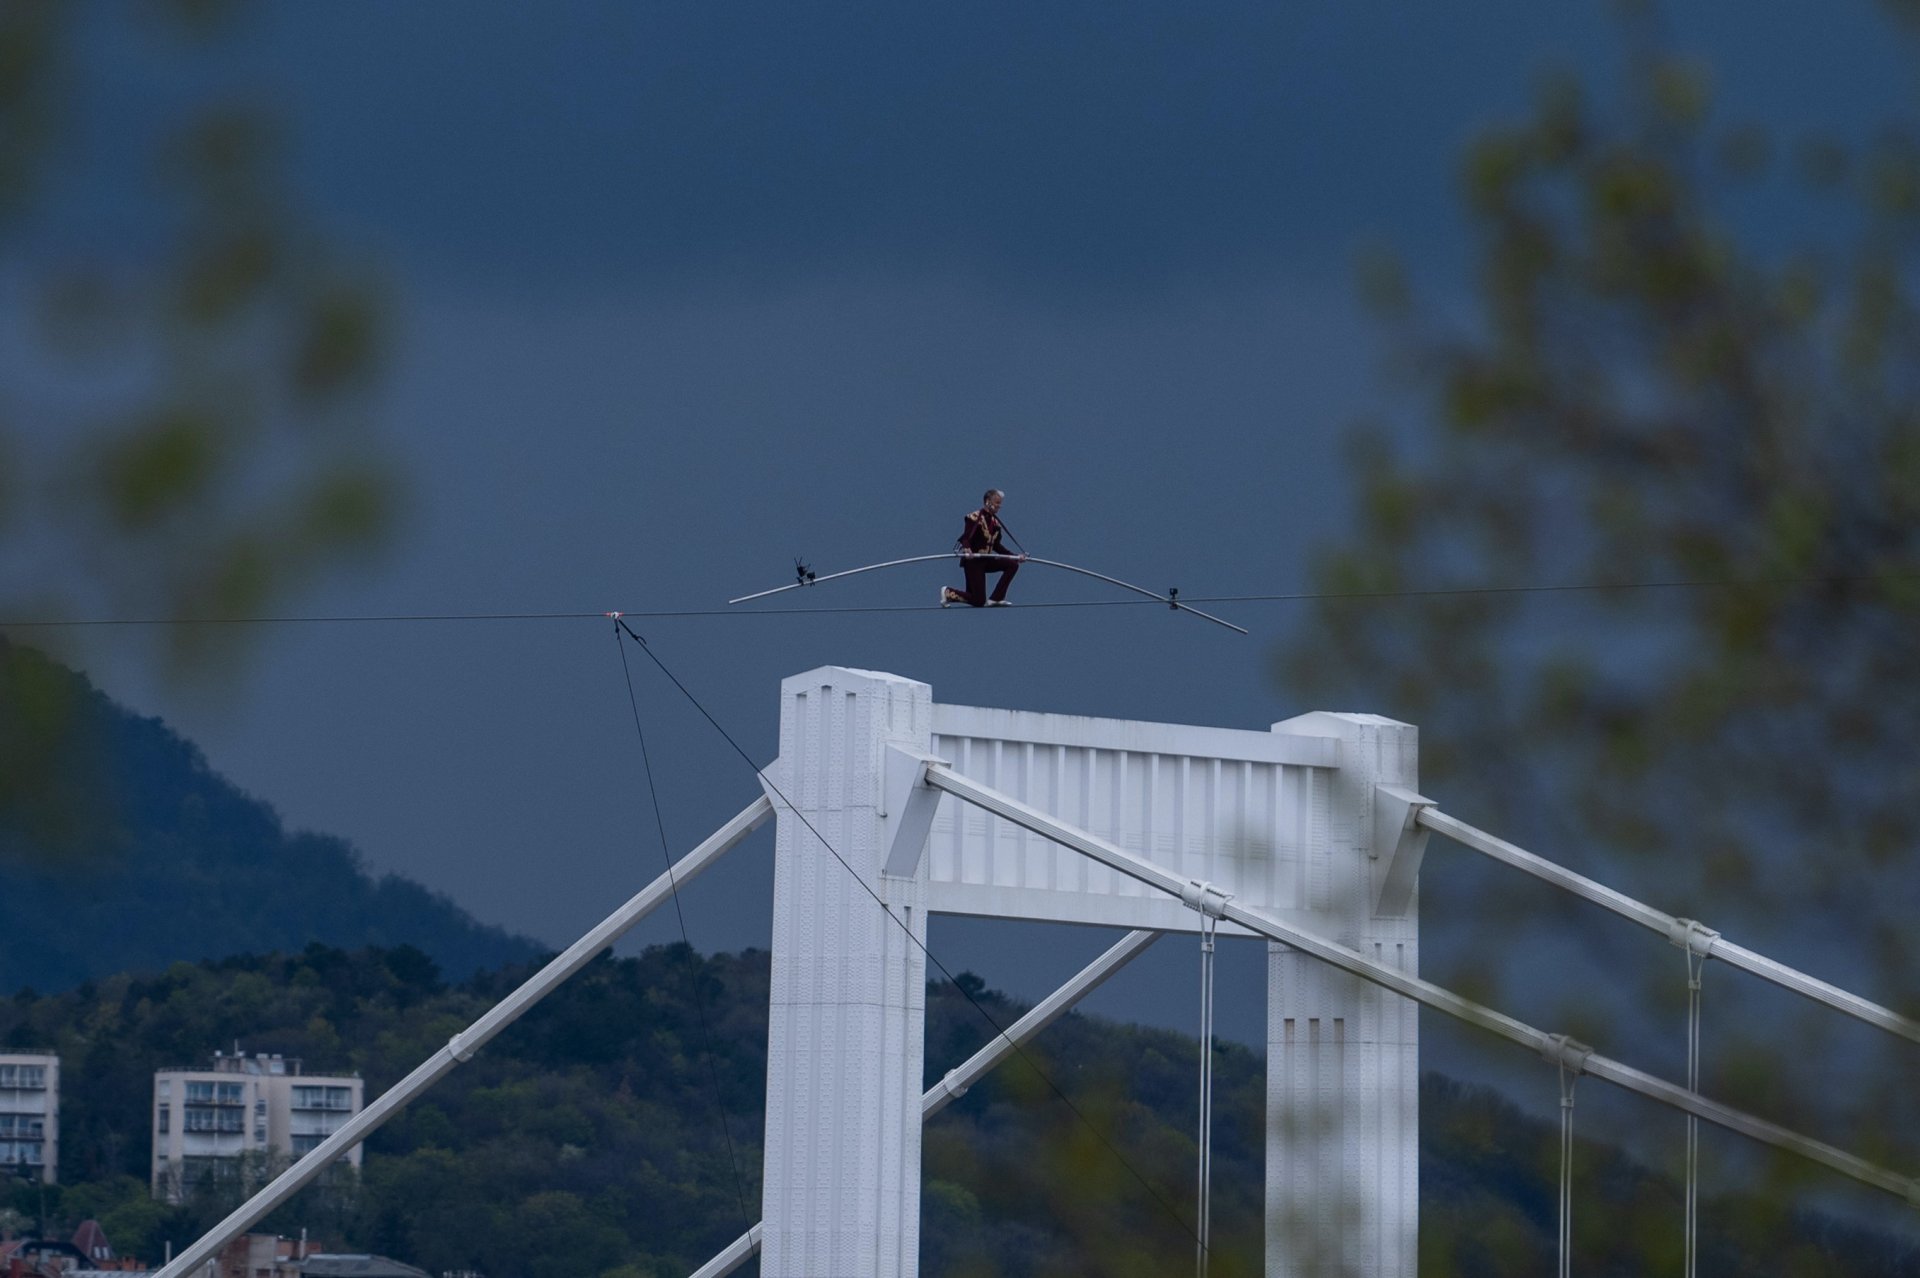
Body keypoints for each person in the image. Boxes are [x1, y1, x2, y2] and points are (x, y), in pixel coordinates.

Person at [942, 488, 1027, 607]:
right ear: (988, 502)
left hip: (986, 560)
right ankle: (948, 592)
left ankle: (996, 598)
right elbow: (966, 537)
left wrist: (1015, 557)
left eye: (1000, 503)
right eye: (997, 503)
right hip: (973, 562)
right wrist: (967, 549)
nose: (999, 506)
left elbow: (997, 546)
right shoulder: (974, 517)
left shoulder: (996, 524)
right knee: (978, 600)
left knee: (1012, 565)